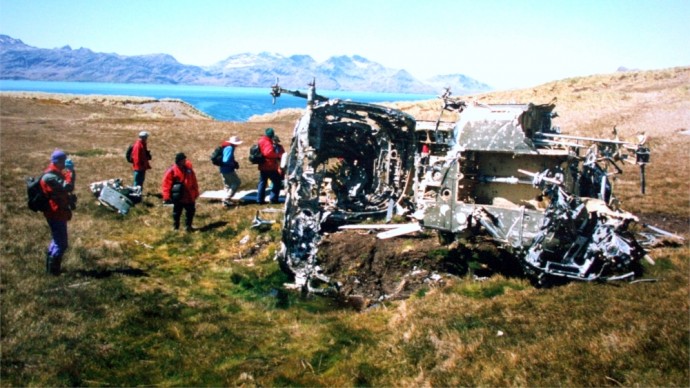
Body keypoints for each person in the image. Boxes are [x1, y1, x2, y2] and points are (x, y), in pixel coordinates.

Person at [40, 149, 76, 275]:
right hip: (55, 212)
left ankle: (50, 269)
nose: (65, 164)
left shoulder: (55, 173)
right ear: (58, 162)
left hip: (57, 211)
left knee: (57, 240)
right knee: (62, 243)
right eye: (63, 161)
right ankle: (54, 271)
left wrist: (67, 172)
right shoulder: (50, 177)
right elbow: (68, 186)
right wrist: (71, 171)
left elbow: (64, 183)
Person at [161, 153, 200, 232]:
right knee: (177, 212)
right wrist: (166, 196)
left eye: (185, 160)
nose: (185, 161)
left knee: (190, 211)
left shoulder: (189, 170)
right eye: (183, 160)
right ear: (178, 161)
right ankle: (176, 227)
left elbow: (194, 181)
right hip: (179, 196)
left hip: (189, 195)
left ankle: (188, 226)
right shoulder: (172, 170)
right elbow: (166, 184)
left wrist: (196, 192)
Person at [256, 128, 284, 204]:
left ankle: (259, 200)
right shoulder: (267, 142)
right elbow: (268, 153)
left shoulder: (261, 140)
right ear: (271, 134)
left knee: (262, 182)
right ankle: (273, 199)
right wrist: (277, 155)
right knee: (277, 182)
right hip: (270, 165)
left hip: (263, 164)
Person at [218, 135, 243, 207]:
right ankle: (226, 199)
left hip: (223, 169)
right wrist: (233, 164)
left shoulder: (226, 147)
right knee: (236, 182)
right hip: (228, 169)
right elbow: (226, 160)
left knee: (227, 185)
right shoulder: (230, 148)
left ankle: (225, 202)